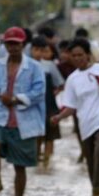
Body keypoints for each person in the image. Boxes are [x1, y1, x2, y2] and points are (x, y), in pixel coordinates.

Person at [0, 26, 46, 196]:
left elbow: (39, 92)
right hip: (0, 118)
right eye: (9, 44)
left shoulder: (34, 67)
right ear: (5, 45)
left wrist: (15, 99)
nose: (12, 47)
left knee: (19, 166)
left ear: (23, 45)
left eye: (16, 44)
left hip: (24, 121)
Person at [51, 38, 99, 196]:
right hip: (85, 125)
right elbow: (70, 106)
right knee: (91, 161)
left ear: (88, 55)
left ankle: (98, 190)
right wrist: (59, 117)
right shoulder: (72, 79)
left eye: (80, 55)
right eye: (74, 56)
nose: (77, 58)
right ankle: (97, 195)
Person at [30, 36, 65, 168]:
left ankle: (46, 163)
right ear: (31, 50)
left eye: (42, 50)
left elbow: (61, 84)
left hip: (49, 106)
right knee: (36, 135)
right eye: (36, 49)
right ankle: (36, 160)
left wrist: (53, 93)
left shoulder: (49, 66)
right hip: (32, 107)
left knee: (50, 136)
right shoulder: (25, 66)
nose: (38, 53)